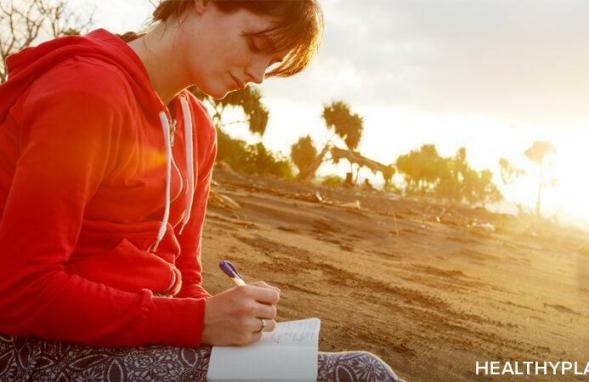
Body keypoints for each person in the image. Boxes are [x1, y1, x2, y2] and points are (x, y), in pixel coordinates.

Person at [0, 1, 402, 380]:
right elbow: (20, 291)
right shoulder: (87, 91)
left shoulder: (198, 128)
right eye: (257, 45)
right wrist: (198, 322)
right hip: (31, 348)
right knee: (362, 374)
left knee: (357, 369)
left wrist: (225, 319)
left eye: (272, 63)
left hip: (132, 338)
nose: (259, 75)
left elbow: (185, 273)